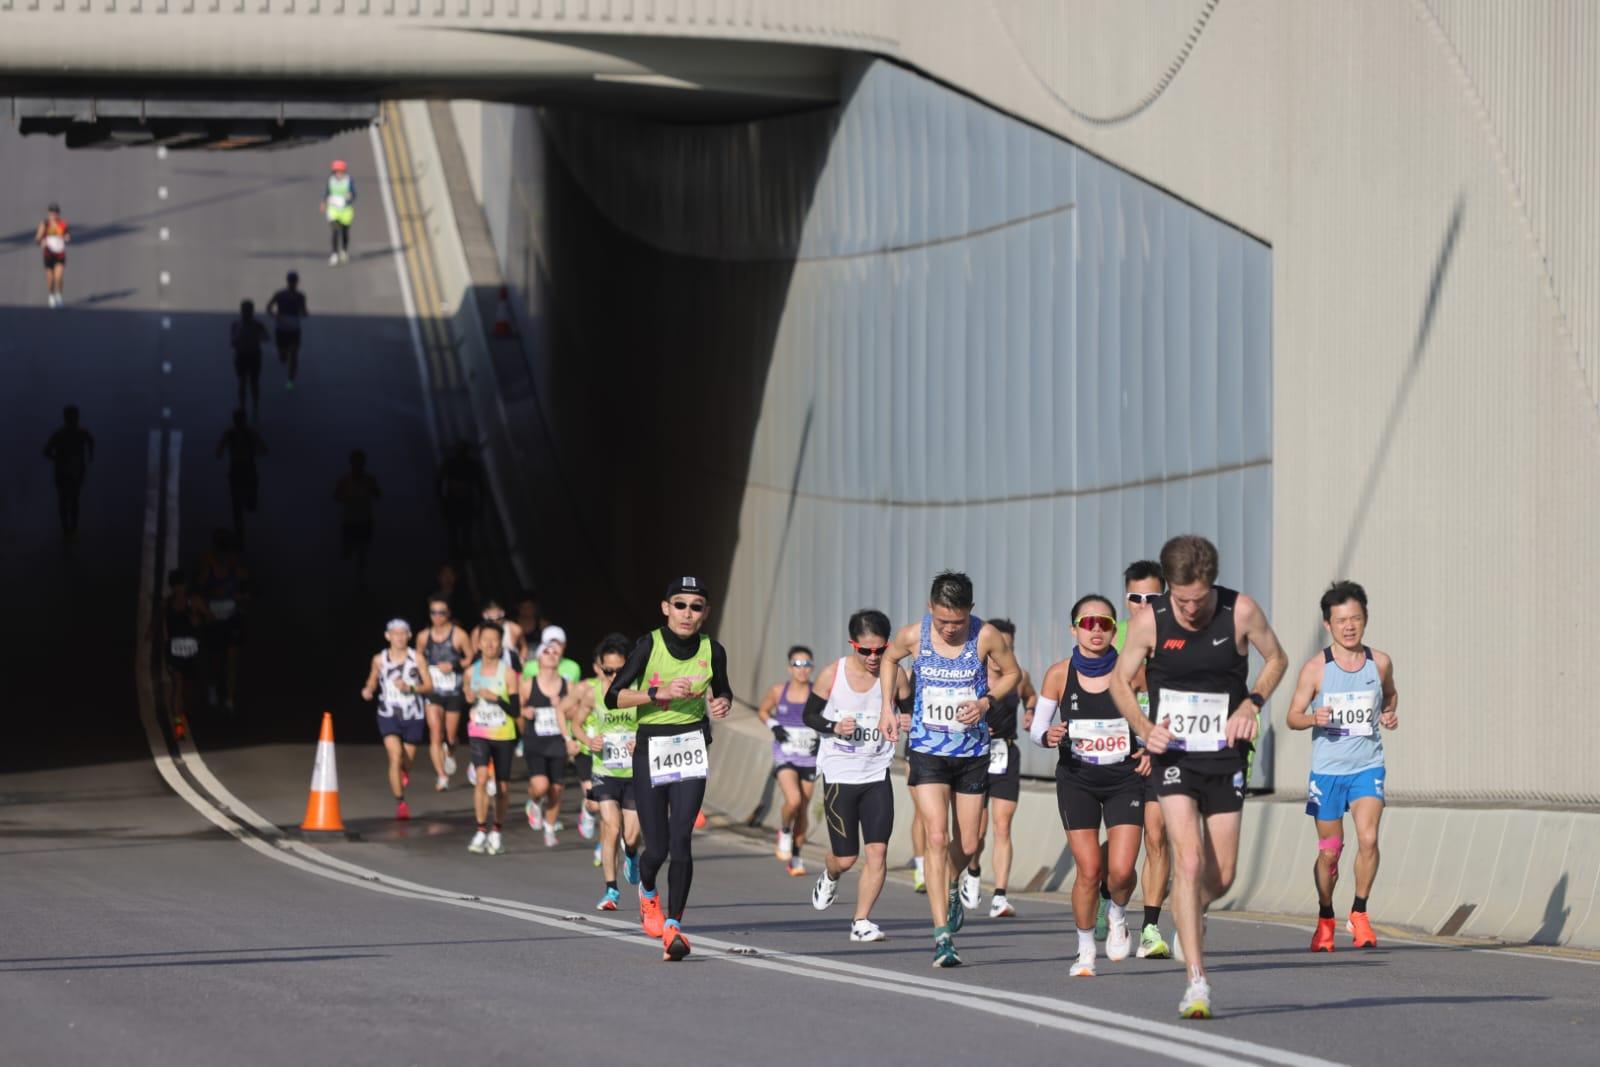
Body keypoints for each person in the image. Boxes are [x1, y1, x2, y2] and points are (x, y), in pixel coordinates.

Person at [1110, 534, 1288, 1019]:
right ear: (1169, 588)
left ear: (1212, 584)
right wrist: (1146, 729)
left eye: (1199, 599)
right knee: (1186, 862)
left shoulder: (1241, 611)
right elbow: (1118, 682)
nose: (1190, 610)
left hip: (1225, 754)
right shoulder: (1150, 621)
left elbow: (1277, 659)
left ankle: (1193, 907)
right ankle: (1197, 982)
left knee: (1222, 875)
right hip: (1174, 756)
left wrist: (1252, 703)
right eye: (1182, 600)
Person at [878, 571, 1021, 968]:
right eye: (943, 621)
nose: (950, 629)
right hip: (927, 749)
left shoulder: (986, 636)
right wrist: (886, 707)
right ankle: (943, 936)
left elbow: (1014, 674)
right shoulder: (914, 635)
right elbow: (889, 659)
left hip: (973, 749)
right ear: (931, 609)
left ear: (970, 612)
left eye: (957, 622)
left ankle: (953, 880)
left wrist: (987, 702)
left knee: (971, 842)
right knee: (937, 837)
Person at [605, 576, 733, 962]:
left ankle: (674, 924)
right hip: (651, 750)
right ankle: (647, 889)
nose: (687, 613)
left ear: (705, 613)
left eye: (695, 607)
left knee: (682, 840)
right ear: (666, 608)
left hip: (692, 747)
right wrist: (655, 694)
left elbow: (723, 688)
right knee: (656, 847)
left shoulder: (713, 650)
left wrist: (722, 702)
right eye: (680, 605)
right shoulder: (649, 644)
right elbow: (614, 696)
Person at [1031, 595, 1144, 976]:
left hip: (1125, 779)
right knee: (1090, 869)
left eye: (1104, 623)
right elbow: (1036, 729)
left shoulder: (1133, 671)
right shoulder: (1059, 674)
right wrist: (1048, 736)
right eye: (1088, 622)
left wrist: (1149, 750)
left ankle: (1117, 912)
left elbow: (1158, 715)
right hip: (1077, 779)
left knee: (1123, 870)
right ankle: (1084, 950)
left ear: (1115, 629)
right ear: (1074, 629)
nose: (1096, 630)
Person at [1286, 580, 1398, 952]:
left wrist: (1389, 713)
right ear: (1327, 625)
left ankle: (1360, 913)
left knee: (1368, 839)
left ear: (1365, 619)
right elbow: (1291, 717)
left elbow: (1391, 694)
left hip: (1367, 766)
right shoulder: (1316, 669)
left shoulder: (1379, 662)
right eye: (1341, 621)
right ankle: (1325, 915)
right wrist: (1313, 718)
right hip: (1328, 772)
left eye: (1356, 619)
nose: (1349, 626)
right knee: (1330, 851)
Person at [803, 610, 911, 942]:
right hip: (839, 772)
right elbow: (809, 715)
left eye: (880, 650)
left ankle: (861, 921)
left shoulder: (897, 675)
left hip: (877, 771)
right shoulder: (832, 674)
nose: (874, 657)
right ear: (853, 645)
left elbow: (909, 706)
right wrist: (834, 726)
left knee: (877, 851)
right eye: (866, 651)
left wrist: (906, 719)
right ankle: (830, 874)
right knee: (847, 857)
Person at [963, 617, 1036, 919]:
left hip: (1005, 754)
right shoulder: (972, 677)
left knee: (1002, 825)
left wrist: (1030, 711)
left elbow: (1031, 694)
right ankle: (973, 868)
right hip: (974, 756)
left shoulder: (1018, 676)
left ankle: (1000, 896)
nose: (1003, 652)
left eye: (1009, 646)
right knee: (975, 832)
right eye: (998, 646)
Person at [567, 633, 642, 911]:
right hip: (605, 769)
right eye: (608, 671)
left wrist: (641, 740)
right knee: (611, 826)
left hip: (634, 772)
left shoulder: (637, 690)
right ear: (600, 667)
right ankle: (611, 891)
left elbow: (653, 721)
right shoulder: (592, 692)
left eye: (619, 671)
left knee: (631, 836)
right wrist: (588, 741)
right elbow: (576, 724)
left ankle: (632, 854)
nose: (613, 677)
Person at [1122, 559, 1173, 958]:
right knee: (1118, 858)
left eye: (1151, 598)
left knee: (1156, 837)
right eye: (1135, 597)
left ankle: (1151, 927)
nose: (1143, 604)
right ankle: (1113, 901)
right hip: (1114, 761)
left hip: (1159, 757)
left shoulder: (1176, 643)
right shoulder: (1109, 639)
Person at [361, 619, 433, 820]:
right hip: (388, 712)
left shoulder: (416, 658)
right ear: (388, 636)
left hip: (413, 714)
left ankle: (403, 773)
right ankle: (400, 801)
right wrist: (368, 689)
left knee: (406, 762)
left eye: (403, 634)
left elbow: (429, 686)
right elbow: (373, 679)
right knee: (395, 756)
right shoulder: (379, 659)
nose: (399, 638)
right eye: (395, 634)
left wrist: (410, 688)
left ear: (409, 636)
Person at [758, 645, 818, 877]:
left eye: (807, 665)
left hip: (809, 756)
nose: (802, 670)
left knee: (803, 809)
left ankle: (795, 857)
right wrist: (775, 726)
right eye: (797, 665)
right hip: (785, 754)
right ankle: (784, 830)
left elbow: (830, 716)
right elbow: (763, 711)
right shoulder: (777, 690)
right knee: (793, 800)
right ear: (789, 667)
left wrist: (822, 738)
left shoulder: (818, 692)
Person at [464, 623, 518, 855]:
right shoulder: (470, 672)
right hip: (479, 732)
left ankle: (496, 830)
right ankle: (480, 830)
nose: (489, 644)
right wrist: (468, 697)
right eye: (484, 639)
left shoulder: (507, 673)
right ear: (478, 644)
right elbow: (465, 698)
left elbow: (515, 708)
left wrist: (495, 698)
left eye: (494, 640)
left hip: (503, 733)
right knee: (482, 778)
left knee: (503, 788)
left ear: (500, 643)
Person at [520, 637, 571, 848]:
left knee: (556, 789)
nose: (551, 655)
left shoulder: (568, 685)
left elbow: (578, 712)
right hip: (536, 741)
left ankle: (549, 828)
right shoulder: (528, 684)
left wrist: (564, 706)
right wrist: (525, 712)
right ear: (539, 658)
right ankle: (533, 801)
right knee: (541, 786)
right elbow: (518, 709)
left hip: (557, 741)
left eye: (555, 652)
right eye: (547, 652)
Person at [418, 595, 471, 790]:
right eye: (434, 613)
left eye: (441, 612)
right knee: (435, 732)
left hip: (453, 691)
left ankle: (450, 752)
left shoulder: (459, 635)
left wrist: (454, 664)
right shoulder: (424, 636)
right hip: (433, 690)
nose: (437, 616)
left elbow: (471, 657)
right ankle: (441, 776)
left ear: (448, 614)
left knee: (450, 736)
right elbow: (418, 659)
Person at [195, 528, 251, 711]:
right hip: (213, 617)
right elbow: (199, 590)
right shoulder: (207, 564)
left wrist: (240, 599)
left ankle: (229, 696)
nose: (224, 557)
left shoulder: (236, 566)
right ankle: (212, 688)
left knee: (232, 659)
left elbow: (247, 589)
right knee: (214, 657)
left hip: (231, 616)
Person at [158, 569, 203, 740]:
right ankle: (178, 724)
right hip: (179, 649)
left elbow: (205, 619)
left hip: (187, 648)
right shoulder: (170, 603)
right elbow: (159, 621)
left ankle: (180, 719)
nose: (179, 589)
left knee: (184, 686)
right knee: (179, 684)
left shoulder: (191, 602)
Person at [42, 405, 94, 541]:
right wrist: (90, 455)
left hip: (65, 471)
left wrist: (56, 459)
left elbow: (46, 452)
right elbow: (91, 442)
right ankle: (71, 528)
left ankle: (67, 529)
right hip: (73, 471)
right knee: (72, 499)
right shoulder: (80, 433)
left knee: (65, 499)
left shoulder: (60, 434)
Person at [216, 410, 266, 543]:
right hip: (246, 469)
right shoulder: (248, 433)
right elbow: (263, 448)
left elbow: (219, 450)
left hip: (239, 469)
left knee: (240, 504)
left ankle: (240, 532)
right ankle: (240, 534)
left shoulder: (232, 434)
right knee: (244, 503)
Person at [334, 450, 380, 586]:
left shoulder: (369, 480)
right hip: (350, 520)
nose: (357, 465)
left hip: (364, 519)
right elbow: (336, 496)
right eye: (356, 462)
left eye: (359, 462)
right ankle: (350, 580)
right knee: (348, 552)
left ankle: (359, 580)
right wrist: (346, 498)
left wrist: (371, 490)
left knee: (362, 551)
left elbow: (378, 494)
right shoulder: (345, 480)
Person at [436, 441, 485, 560]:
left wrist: (441, 500)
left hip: (454, 502)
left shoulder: (450, 463)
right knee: (463, 532)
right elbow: (480, 486)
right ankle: (463, 556)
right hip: (462, 502)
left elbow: (438, 482)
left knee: (458, 533)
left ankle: (458, 557)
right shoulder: (471, 465)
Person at [266, 272, 309, 390]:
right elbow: (269, 308)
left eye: (294, 281)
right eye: (292, 281)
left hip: (294, 328)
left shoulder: (300, 296)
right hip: (282, 327)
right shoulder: (280, 294)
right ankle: (285, 359)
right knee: (283, 356)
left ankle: (290, 381)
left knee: (294, 354)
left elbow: (304, 311)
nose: (293, 283)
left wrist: (303, 313)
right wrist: (276, 317)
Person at [229, 300, 270, 422]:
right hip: (241, 356)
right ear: (241, 311)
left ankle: (255, 405)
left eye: (249, 311)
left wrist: (256, 337)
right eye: (245, 311)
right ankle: (242, 406)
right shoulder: (236, 324)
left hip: (254, 356)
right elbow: (232, 342)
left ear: (252, 312)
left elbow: (266, 337)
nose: (247, 313)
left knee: (253, 382)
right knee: (242, 382)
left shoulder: (258, 325)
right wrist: (240, 339)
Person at [34, 203, 69, 308]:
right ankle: (51, 294)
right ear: (49, 214)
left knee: (58, 277)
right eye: (51, 213)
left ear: (58, 214)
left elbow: (67, 235)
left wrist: (67, 238)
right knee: (50, 279)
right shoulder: (45, 224)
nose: (53, 215)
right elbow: (37, 239)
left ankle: (59, 295)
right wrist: (41, 242)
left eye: (55, 213)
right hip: (48, 254)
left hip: (60, 254)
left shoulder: (63, 224)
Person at [322, 159, 355, 265]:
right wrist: (323, 202)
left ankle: (344, 251)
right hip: (334, 209)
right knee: (335, 231)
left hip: (345, 210)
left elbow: (354, 194)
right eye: (337, 171)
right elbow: (327, 192)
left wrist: (349, 198)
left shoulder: (348, 180)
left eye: (340, 171)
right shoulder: (331, 180)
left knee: (345, 232)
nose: (338, 173)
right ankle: (334, 254)